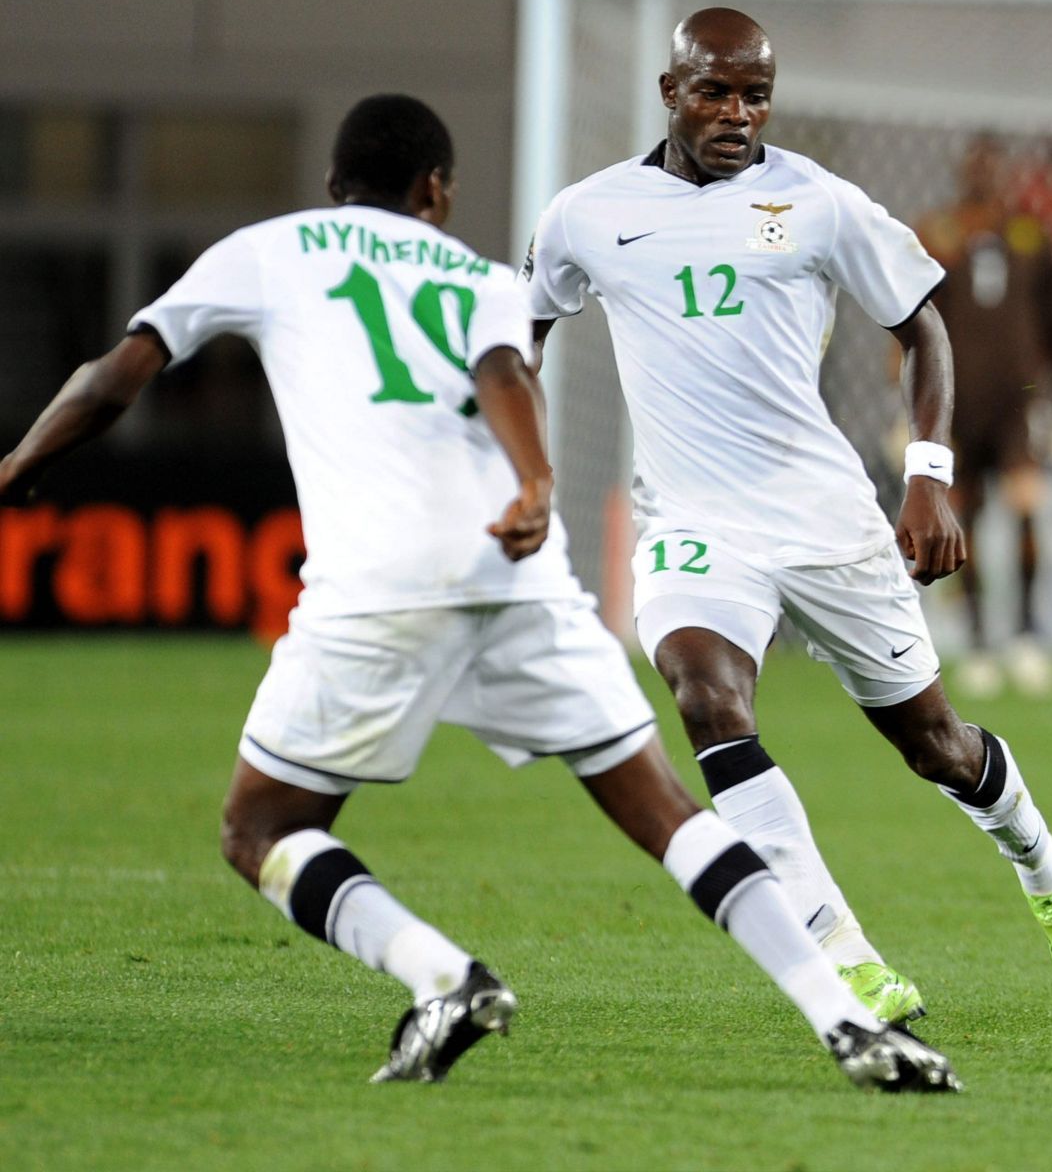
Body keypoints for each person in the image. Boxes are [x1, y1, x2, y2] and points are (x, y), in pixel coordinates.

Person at [0, 94, 957, 1093]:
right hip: (521, 576)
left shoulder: (266, 249)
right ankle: (850, 1023)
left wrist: (19, 463)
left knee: (263, 828)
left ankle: (441, 976)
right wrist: (536, 487)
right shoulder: (478, 275)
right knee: (669, 814)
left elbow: (117, 376)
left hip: (377, 584)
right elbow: (507, 374)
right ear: (439, 193)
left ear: (334, 188)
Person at [524, 9, 1052, 1026]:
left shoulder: (816, 202)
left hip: (824, 518)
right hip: (693, 522)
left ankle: (1043, 863)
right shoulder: (586, 213)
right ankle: (843, 953)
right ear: (670, 92)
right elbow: (518, 334)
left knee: (934, 743)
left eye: (756, 94)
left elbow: (922, 326)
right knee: (708, 698)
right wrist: (512, 468)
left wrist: (927, 474)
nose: (737, 113)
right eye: (715, 91)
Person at [915, 134, 1052, 698]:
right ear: (960, 170)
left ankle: (1028, 637)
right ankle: (981, 642)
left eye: (992, 165)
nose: (983, 175)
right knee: (964, 516)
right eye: (975, 165)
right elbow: (909, 322)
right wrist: (903, 401)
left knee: (1026, 504)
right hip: (952, 402)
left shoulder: (1030, 237)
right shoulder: (935, 235)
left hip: (1019, 400)